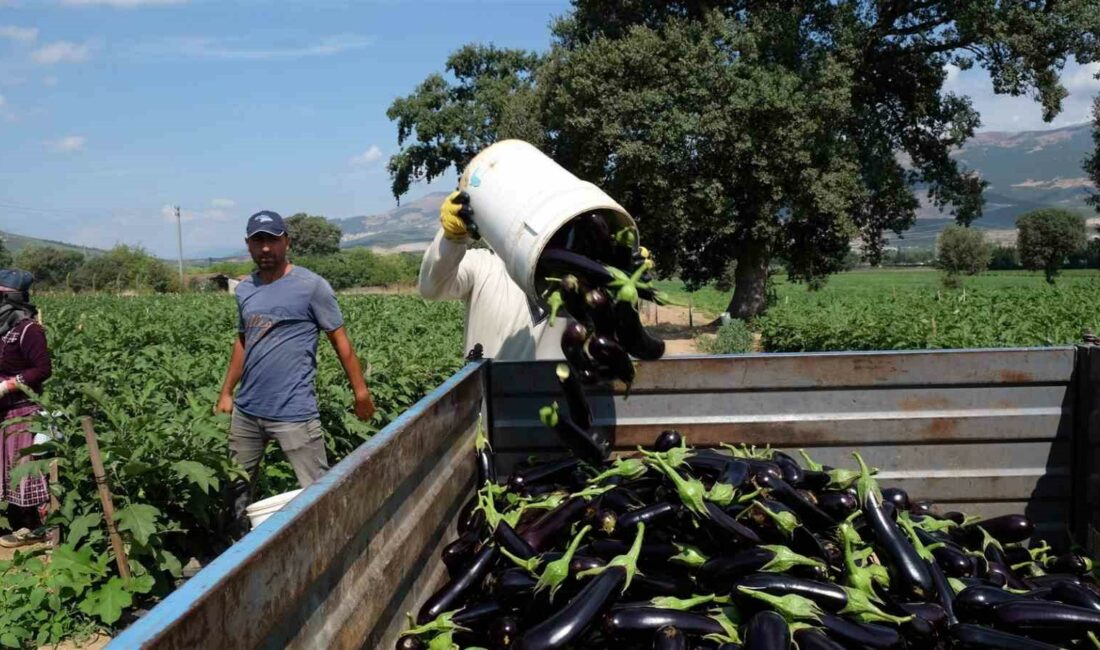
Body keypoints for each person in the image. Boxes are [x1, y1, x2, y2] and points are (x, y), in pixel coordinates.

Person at [216, 210, 375, 536]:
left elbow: (340, 341)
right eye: (258, 240)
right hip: (247, 411)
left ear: (286, 242)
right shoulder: (245, 289)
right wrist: (227, 392)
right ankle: (236, 549)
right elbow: (243, 341)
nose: (265, 248)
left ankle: (332, 545)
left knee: (317, 494)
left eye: (272, 240)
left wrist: (361, 392)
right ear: (248, 245)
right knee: (235, 490)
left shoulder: (311, 286)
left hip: (294, 411)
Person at [419, 191, 563, 360]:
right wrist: (451, 238)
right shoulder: (482, 264)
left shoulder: (573, 272)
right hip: (487, 377)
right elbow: (432, 288)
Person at [0, 269, 52, 549]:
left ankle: (32, 528)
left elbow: (42, 369)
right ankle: (15, 521)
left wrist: (9, 385)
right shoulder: (3, 327)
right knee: (8, 468)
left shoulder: (29, 330)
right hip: (3, 412)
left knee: (24, 468)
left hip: (23, 411)